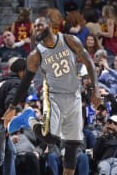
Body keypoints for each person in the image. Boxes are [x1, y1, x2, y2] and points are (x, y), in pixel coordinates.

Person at [6, 15, 101, 175]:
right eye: (35, 27)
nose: (37, 28)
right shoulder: (35, 55)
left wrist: (96, 89)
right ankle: (29, 118)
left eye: (40, 25)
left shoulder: (69, 40)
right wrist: (13, 106)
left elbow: (88, 62)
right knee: (50, 138)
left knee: (72, 144)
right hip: (53, 96)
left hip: (74, 95)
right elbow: (24, 83)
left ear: (50, 25)